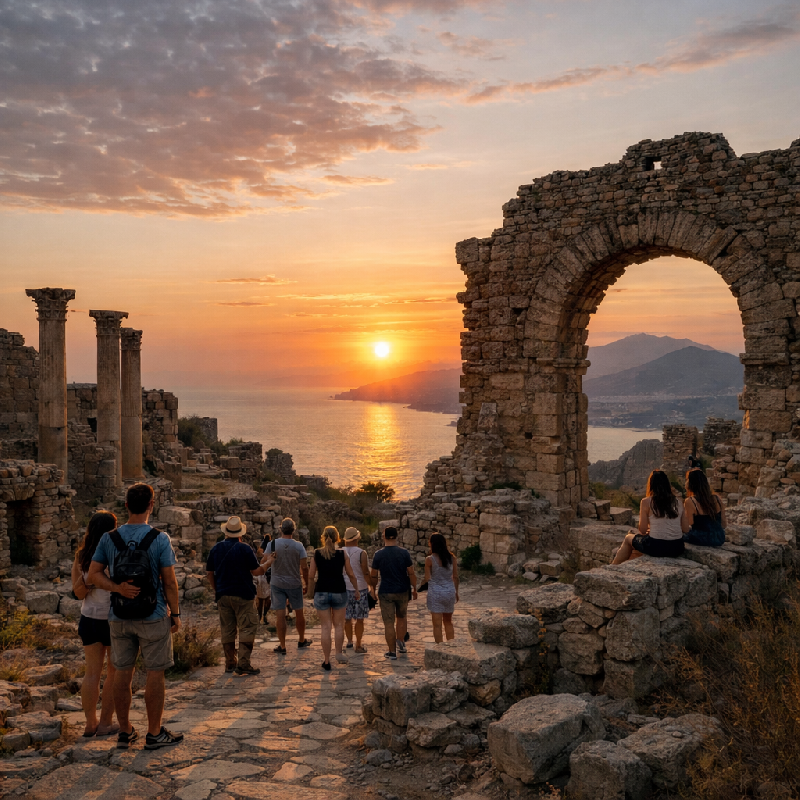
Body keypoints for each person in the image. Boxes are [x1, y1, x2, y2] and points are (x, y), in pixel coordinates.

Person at [88, 483, 184, 751]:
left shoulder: (109, 538)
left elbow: (94, 574)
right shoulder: (159, 538)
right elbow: (169, 582)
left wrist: (117, 588)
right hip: (153, 613)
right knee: (155, 672)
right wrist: (175, 614)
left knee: (122, 672)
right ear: (151, 505)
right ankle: (154, 733)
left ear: (126, 506)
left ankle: (125, 730)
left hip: (119, 615)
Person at [71, 510, 119, 738]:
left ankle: (90, 723)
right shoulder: (115, 552)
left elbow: (77, 592)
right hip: (113, 618)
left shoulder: (82, 556)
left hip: (89, 618)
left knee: (91, 673)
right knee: (113, 672)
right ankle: (106, 723)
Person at [206, 517, 269, 675]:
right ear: (240, 533)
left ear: (226, 532)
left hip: (223, 594)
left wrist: (217, 589)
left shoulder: (216, 548)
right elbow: (256, 571)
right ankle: (243, 663)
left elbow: (209, 573)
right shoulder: (245, 549)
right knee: (247, 627)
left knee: (227, 629)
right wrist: (268, 564)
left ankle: (230, 663)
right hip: (243, 594)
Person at [307, 526, 360, 670]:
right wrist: (356, 589)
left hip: (322, 591)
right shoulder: (342, 554)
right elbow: (350, 574)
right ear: (338, 538)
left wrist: (310, 592)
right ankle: (338, 653)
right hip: (339, 591)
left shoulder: (317, 553)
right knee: (339, 625)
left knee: (325, 627)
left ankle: (326, 660)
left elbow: (311, 575)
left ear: (323, 538)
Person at [611, 470, 690, 564]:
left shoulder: (646, 502)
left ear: (651, 485)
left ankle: (613, 567)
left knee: (629, 537)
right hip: (677, 547)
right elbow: (686, 529)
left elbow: (642, 530)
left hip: (656, 547)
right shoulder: (678, 502)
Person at [263, 518, 311, 654]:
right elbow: (304, 567)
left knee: (280, 615)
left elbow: (264, 560)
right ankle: (301, 639)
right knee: (299, 613)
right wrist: (307, 583)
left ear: (281, 529)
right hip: (294, 583)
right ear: (293, 531)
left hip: (277, 583)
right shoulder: (298, 546)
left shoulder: (272, 544)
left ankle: (283, 646)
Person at [370, 526, 417, 660]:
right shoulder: (404, 553)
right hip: (403, 590)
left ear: (383, 536)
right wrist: (414, 588)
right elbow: (411, 573)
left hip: (386, 591)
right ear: (397, 536)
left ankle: (392, 652)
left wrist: (372, 589)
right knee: (401, 617)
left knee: (389, 623)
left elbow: (374, 575)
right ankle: (401, 643)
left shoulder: (378, 554)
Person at [423, 533, 459, 644]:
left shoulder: (429, 560)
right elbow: (455, 577)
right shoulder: (452, 558)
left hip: (435, 593)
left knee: (437, 625)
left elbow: (427, 578)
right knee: (448, 622)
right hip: (449, 592)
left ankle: (440, 648)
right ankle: (451, 646)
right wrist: (456, 592)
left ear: (431, 544)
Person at [342, 527, 372, 654]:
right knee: (360, 618)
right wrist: (371, 586)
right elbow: (365, 572)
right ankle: (358, 644)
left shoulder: (340, 551)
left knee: (346, 618)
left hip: (344, 587)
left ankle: (349, 641)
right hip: (360, 588)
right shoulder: (361, 553)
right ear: (357, 539)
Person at [683, 468, 727, 547]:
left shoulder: (690, 501)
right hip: (719, 538)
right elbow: (724, 524)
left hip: (702, 538)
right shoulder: (717, 498)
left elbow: (689, 525)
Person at [255, 531, 272, 623]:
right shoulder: (272, 547)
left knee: (260, 599)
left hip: (261, 574)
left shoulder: (262, 546)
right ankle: (264, 616)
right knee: (268, 599)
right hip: (270, 575)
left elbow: (260, 556)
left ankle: (259, 617)